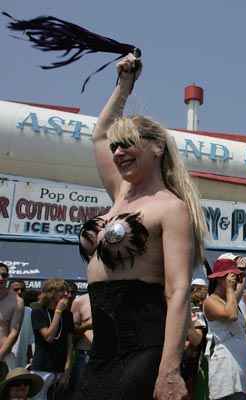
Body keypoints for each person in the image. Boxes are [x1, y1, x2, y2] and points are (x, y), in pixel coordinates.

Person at [74, 53, 208, 400]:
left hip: (143, 349)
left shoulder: (171, 208)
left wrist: (169, 371)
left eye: (128, 144)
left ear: (157, 147)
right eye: (116, 148)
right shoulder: (120, 193)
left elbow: (178, 291)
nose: (118, 152)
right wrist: (124, 85)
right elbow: (100, 135)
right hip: (101, 353)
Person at [204, 258, 246, 400]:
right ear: (220, 279)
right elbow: (231, 315)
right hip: (226, 373)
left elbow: (239, 289)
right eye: (232, 277)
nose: (235, 281)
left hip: (238, 371)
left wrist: (242, 272)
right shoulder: (211, 301)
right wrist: (230, 289)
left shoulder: (229, 300)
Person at [29, 279, 74, 400]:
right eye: (62, 291)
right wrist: (58, 311)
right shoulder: (38, 312)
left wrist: (67, 373)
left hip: (60, 371)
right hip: (41, 369)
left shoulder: (68, 315)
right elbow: (49, 337)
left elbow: (70, 346)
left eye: (67, 291)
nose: (66, 294)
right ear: (50, 293)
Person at [0, 264, 24, 372]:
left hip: (4, 357)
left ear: (8, 277)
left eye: (4, 275)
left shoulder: (17, 301)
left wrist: (0, 355)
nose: (1, 278)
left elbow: (14, 333)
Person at [8, 280, 34, 369]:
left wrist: (31, 356)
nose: (19, 292)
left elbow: (31, 339)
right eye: (16, 289)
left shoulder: (29, 312)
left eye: (22, 290)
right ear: (8, 291)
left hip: (20, 360)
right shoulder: (3, 309)